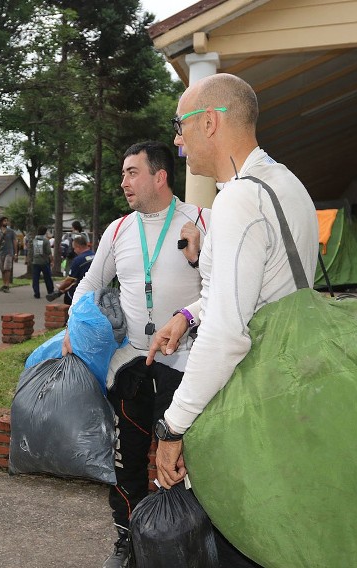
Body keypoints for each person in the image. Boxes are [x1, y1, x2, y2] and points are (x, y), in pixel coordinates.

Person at [146, 74, 319, 490]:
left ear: (208, 122)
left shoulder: (239, 200)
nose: (179, 141)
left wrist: (173, 427)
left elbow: (226, 335)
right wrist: (188, 315)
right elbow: (254, 284)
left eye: (180, 125)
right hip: (292, 378)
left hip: (255, 395)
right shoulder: (284, 183)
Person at [62, 141, 209, 568]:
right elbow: (89, 285)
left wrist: (199, 261)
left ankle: (184, 545)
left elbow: (224, 292)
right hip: (128, 365)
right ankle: (128, 542)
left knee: (183, 465)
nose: (123, 182)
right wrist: (76, 326)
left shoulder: (202, 221)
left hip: (184, 368)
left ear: (159, 176)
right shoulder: (118, 229)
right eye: (123, 173)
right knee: (126, 462)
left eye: (131, 172)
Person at [46, 235, 93, 305]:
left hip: (83, 290)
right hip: (94, 287)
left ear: (78, 247)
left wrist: (60, 288)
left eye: (74, 249)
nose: (74, 251)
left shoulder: (78, 260)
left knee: (68, 296)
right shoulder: (94, 255)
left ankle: (70, 314)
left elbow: (70, 281)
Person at [29, 226, 54, 299]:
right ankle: (50, 291)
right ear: (45, 232)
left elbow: (32, 251)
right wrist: (52, 260)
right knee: (47, 277)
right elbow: (49, 252)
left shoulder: (34, 240)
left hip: (36, 261)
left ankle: (36, 293)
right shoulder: (46, 241)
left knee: (35, 278)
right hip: (44, 261)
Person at [0, 216, 18, 292]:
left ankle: (7, 285)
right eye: (4, 221)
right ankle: (4, 284)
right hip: (1, 252)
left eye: (7, 221)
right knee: (3, 269)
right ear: (1, 222)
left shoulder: (11, 231)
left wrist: (16, 253)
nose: (6, 222)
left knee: (7, 268)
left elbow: (14, 243)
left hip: (9, 252)